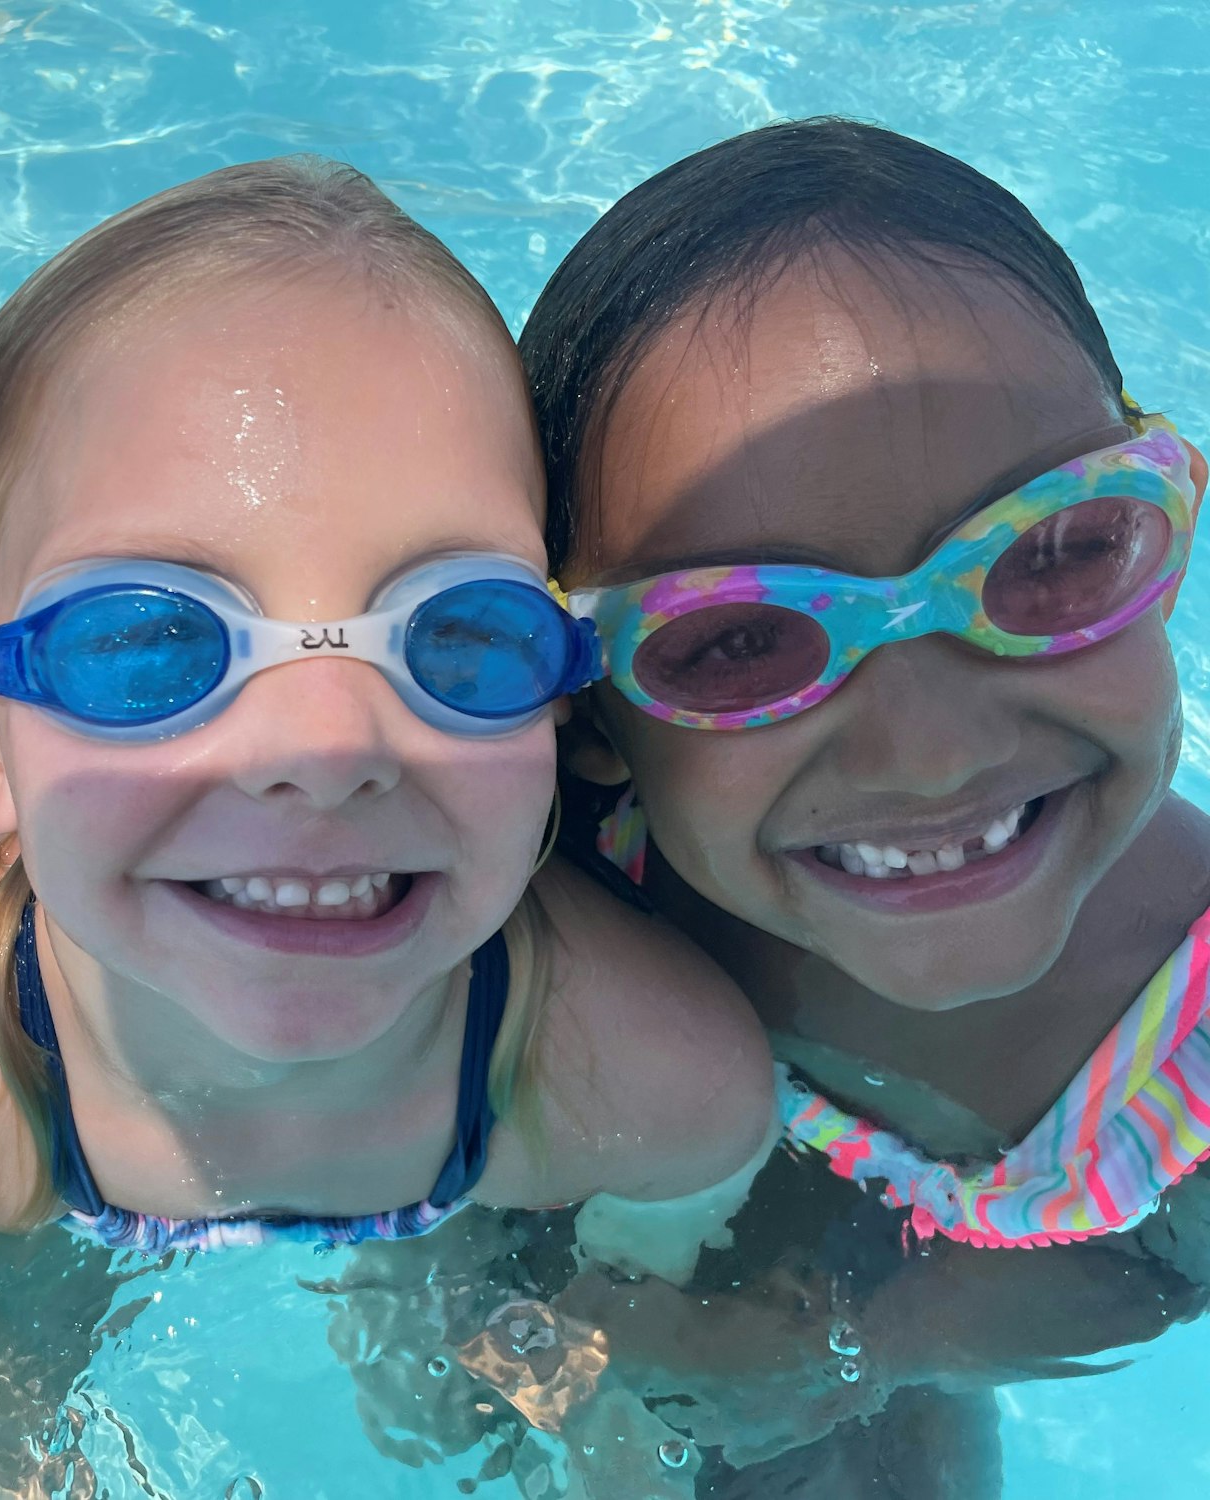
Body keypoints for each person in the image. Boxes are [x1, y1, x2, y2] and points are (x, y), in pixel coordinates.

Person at [0, 157, 777, 1483]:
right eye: (146, 640)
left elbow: (631, 1329)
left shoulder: (659, 1085)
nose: (327, 746)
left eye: (457, 635)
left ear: (558, 715)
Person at [517, 116, 1210, 1490]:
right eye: (738, 637)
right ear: (586, 718)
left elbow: (1144, 1288)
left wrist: (879, 1341)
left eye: (1055, 552)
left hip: (961, 1302)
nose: (931, 750)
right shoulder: (569, 888)